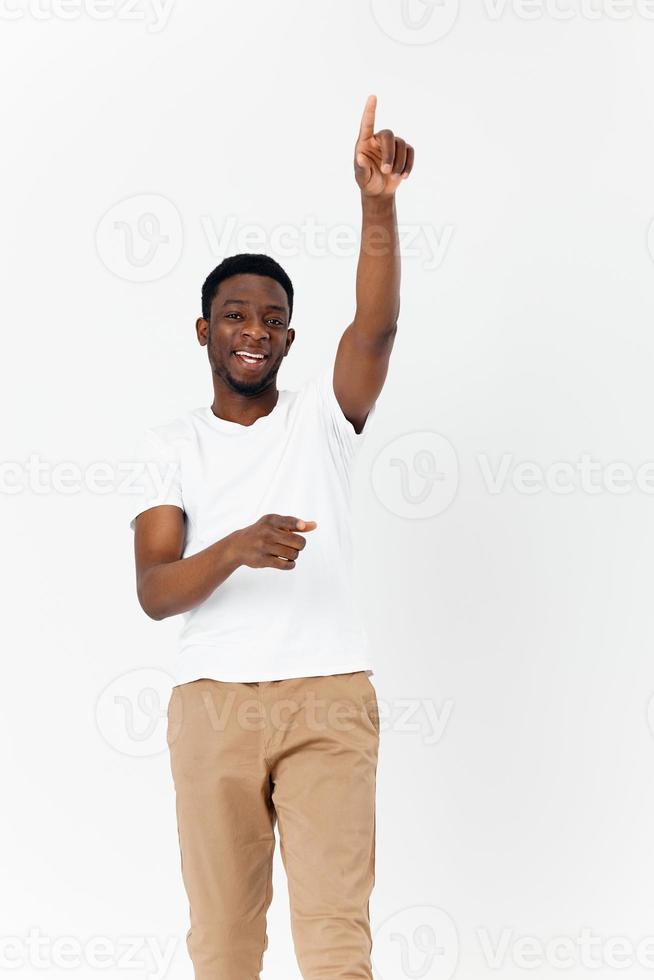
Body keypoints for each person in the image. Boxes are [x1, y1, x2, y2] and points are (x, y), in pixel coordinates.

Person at [129, 94, 414, 980]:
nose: (254, 331)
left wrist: (376, 206)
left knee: (334, 942)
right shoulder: (171, 447)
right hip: (211, 706)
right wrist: (237, 547)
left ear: (288, 337)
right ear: (205, 329)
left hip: (328, 698)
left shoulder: (323, 418)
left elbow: (376, 328)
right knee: (222, 948)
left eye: (271, 320)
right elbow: (155, 590)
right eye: (236, 315)